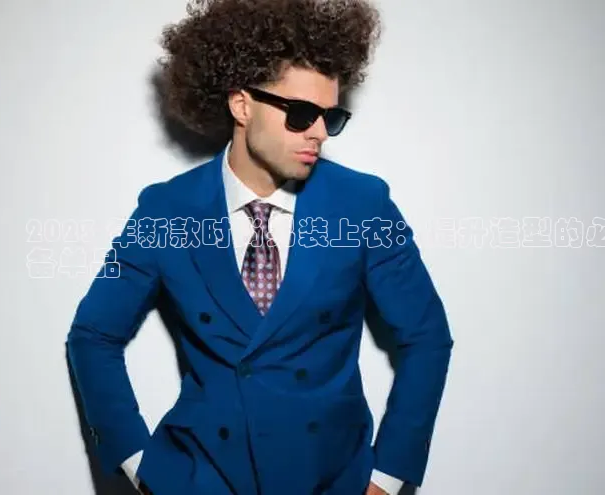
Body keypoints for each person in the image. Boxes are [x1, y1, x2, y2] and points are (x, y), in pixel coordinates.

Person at [66, 0, 454, 494]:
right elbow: (93, 334)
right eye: (301, 114)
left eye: (330, 117)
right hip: (205, 478)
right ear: (242, 105)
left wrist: (389, 477)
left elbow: (427, 336)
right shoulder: (166, 211)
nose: (319, 133)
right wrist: (141, 467)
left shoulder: (363, 205)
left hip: (331, 479)